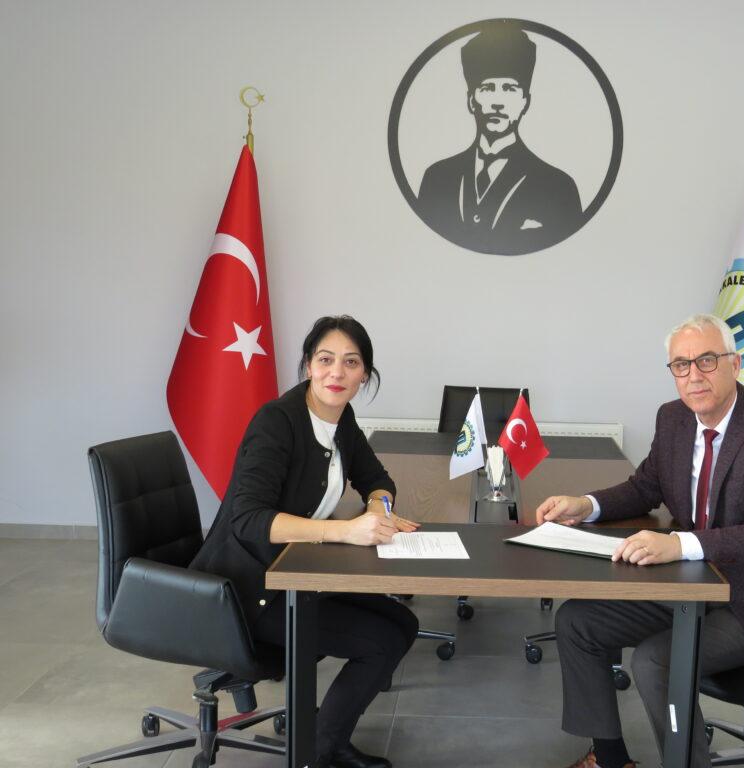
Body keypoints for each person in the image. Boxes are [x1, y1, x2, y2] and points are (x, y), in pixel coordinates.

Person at [536, 313, 744, 768]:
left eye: (707, 360)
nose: (694, 375)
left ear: (735, 364)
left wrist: (679, 544)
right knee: (578, 622)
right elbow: (644, 487)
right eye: (681, 365)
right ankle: (610, 760)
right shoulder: (673, 418)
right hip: (694, 583)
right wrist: (586, 504)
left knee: (656, 661)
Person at [191, 315, 419, 768]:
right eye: (326, 359)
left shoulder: (341, 418)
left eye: (351, 362)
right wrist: (346, 531)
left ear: (365, 375)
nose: (337, 372)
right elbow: (249, 519)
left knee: (403, 624)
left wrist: (379, 508)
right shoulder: (277, 422)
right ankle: (319, 751)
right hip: (247, 590)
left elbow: (378, 479)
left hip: (296, 573)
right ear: (309, 365)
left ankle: (326, 738)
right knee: (379, 641)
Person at [417, 20, 583, 255]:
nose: (497, 102)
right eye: (487, 88)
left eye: (509, 89)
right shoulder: (436, 178)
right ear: (471, 101)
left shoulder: (558, 187)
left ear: (526, 102)